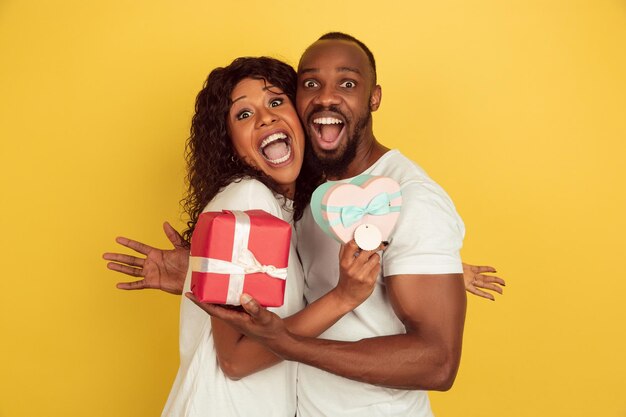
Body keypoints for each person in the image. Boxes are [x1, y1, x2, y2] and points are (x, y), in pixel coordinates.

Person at [104, 34, 505, 416]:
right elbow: (246, 344)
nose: (327, 96)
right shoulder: (276, 197)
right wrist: (208, 269)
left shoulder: (387, 196)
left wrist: (432, 268)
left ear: (374, 97)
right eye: (311, 83)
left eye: (347, 82)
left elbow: (438, 364)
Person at [108, 56, 384, 417]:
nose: (265, 117)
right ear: (231, 144)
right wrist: (343, 298)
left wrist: (441, 267)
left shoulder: (279, 209)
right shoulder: (249, 198)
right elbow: (235, 360)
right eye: (243, 114)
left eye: (275, 102)